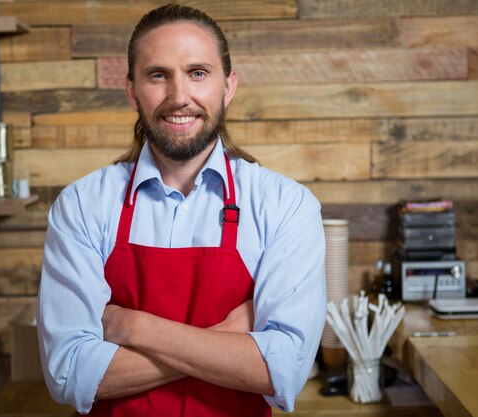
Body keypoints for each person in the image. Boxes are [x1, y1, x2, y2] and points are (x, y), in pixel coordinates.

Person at [37, 4, 326, 416]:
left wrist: (133, 326)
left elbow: (284, 369)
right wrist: (225, 340)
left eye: (198, 73)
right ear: (132, 90)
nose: (179, 97)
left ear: (228, 87)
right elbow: (69, 374)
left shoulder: (285, 206)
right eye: (158, 75)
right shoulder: (83, 206)